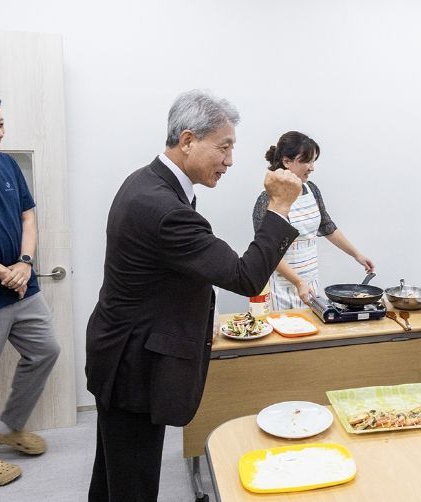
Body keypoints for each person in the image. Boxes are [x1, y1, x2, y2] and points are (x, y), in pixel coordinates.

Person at [85, 90, 302, 501]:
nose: (230, 160)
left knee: (114, 475)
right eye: (224, 147)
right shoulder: (164, 208)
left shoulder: (148, 181)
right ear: (187, 140)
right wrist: (278, 207)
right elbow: (245, 277)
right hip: (133, 363)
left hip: (119, 349)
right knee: (132, 484)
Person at [0, 86, 60, 487]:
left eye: (1, 124)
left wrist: (25, 263)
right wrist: (4, 272)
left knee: (46, 349)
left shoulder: (6, 164)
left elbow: (28, 215)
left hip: (21, 286)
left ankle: (8, 427)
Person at [253, 131, 374, 309]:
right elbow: (267, 252)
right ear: (286, 161)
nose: (312, 167)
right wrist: (298, 281)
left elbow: (327, 227)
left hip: (309, 283)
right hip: (281, 288)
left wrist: (357, 255)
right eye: (306, 161)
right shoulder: (267, 200)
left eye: (313, 161)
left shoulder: (312, 190)